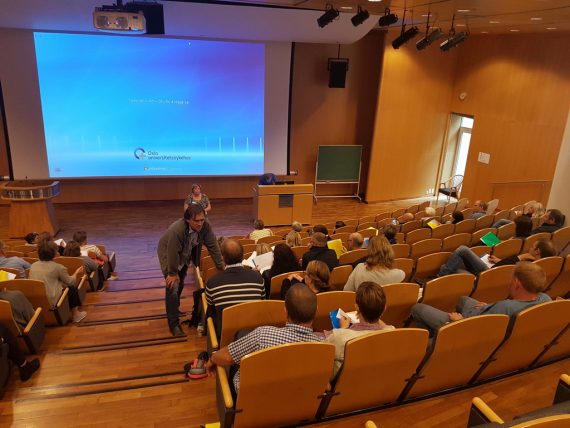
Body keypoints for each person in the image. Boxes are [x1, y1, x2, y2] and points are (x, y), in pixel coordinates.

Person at [205, 284, 323, 395]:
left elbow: (227, 357)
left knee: (241, 336)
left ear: (285, 311)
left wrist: (212, 358)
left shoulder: (263, 335)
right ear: (316, 310)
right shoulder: (322, 347)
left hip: (252, 400)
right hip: (296, 402)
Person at [411, 262, 551, 336]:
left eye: (511, 278)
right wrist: (489, 306)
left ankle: (438, 338)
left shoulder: (505, 308)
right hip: (483, 314)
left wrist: (459, 321)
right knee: (463, 300)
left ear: (517, 283)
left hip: (465, 327)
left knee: (418, 308)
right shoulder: (545, 299)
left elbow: (479, 331)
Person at [157, 203, 223, 337]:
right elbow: (172, 252)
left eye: (202, 220)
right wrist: (172, 273)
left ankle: (175, 308)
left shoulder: (205, 226)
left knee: (181, 282)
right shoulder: (177, 230)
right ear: (188, 220)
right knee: (173, 285)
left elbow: (213, 245)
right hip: (168, 254)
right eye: (196, 221)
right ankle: (173, 324)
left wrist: (222, 266)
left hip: (184, 253)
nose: (200, 224)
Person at [325, 282, 395, 376]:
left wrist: (343, 328)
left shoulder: (339, 337)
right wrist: (376, 313)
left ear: (357, 306)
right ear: (384, 308)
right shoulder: (392, 333)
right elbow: (386, 328)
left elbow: (323, 356)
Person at [206, 239, 265, 333]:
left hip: (225, 336)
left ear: (223, 258)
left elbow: (211, 309)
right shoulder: (258, 278)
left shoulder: (212, 282)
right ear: (242, 256)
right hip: (254, 333)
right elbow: (262, 302)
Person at [29, 240, 87, 323]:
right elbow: (71, 281)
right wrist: (76, 273)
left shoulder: (33, 265)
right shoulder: (58, 267)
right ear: (54, 253)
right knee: (71, 288)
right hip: (51, 300)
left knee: (62, 283)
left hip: (37, 299)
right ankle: (76, 315)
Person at [438, 239, 556, 277]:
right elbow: (506, 266)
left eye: (533, 247)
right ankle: (445, 272)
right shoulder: (540, 264)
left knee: (462, 249)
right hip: (494, 268)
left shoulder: (529, 265)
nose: (530, 248)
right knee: (455, 267)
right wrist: (499, 260)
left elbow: (500, 270)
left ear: (537, 251)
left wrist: (521, 256)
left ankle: (441, 275)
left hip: (490, 274)